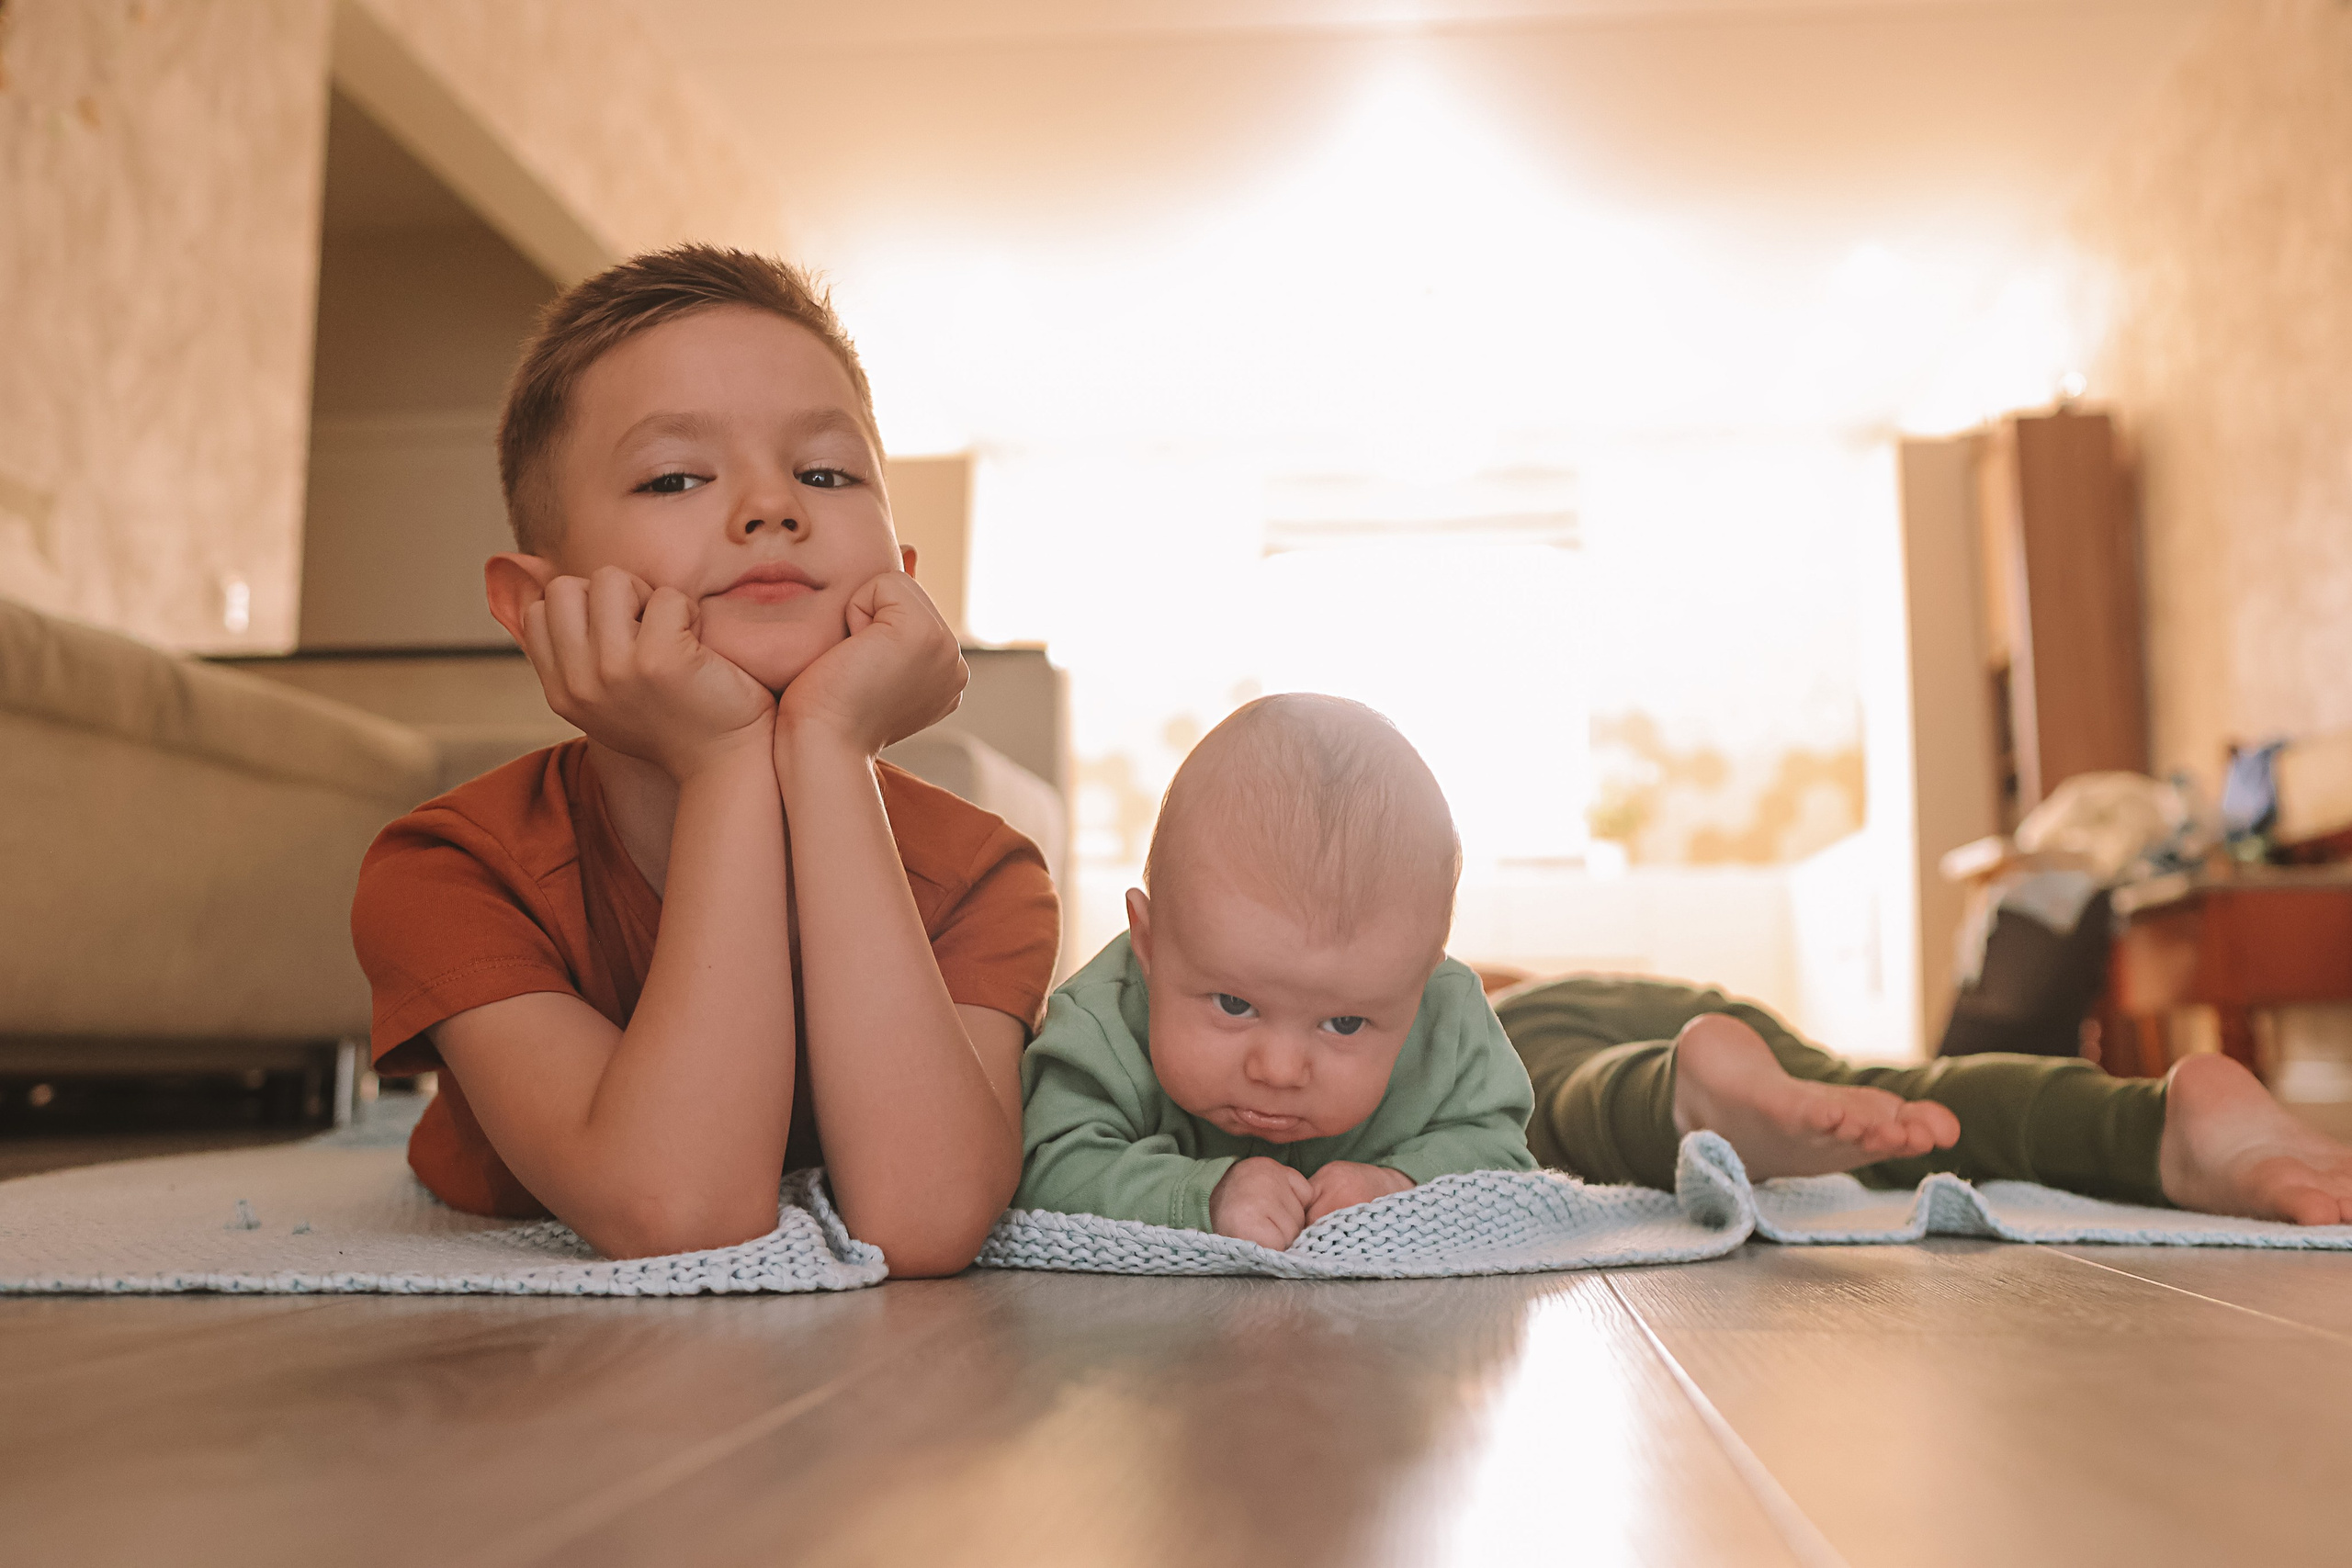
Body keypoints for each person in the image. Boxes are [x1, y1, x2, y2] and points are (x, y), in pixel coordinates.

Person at [351, 246, 1059, 1270]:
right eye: (675, 477)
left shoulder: (983, 873)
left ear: (898, 581)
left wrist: (826, 745)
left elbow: (923, 1219)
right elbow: (681, 1210)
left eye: (824, 472)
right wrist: (726, 757)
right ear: (535, 604)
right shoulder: (449, 869)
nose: (772, 509)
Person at [1016, 694, 1535, 1250]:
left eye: (1345, 1023)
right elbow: (1046, 1168)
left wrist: (1402, 1187)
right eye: (1234, 1005)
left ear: (1419, 984)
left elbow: (1506, 1167)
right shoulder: (1103, 1020)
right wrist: (1201, 1196)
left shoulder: (1445, 1019)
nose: (1281, 1071)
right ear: (1149, 944)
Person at [1498, 971, 2352, 1227]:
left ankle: (1688, 1104)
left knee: (1554, 1108)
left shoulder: (1467, 1016)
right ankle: (2147, 1123)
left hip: (1534, 1034)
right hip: (1708, 1007)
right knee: (1896, 1105)